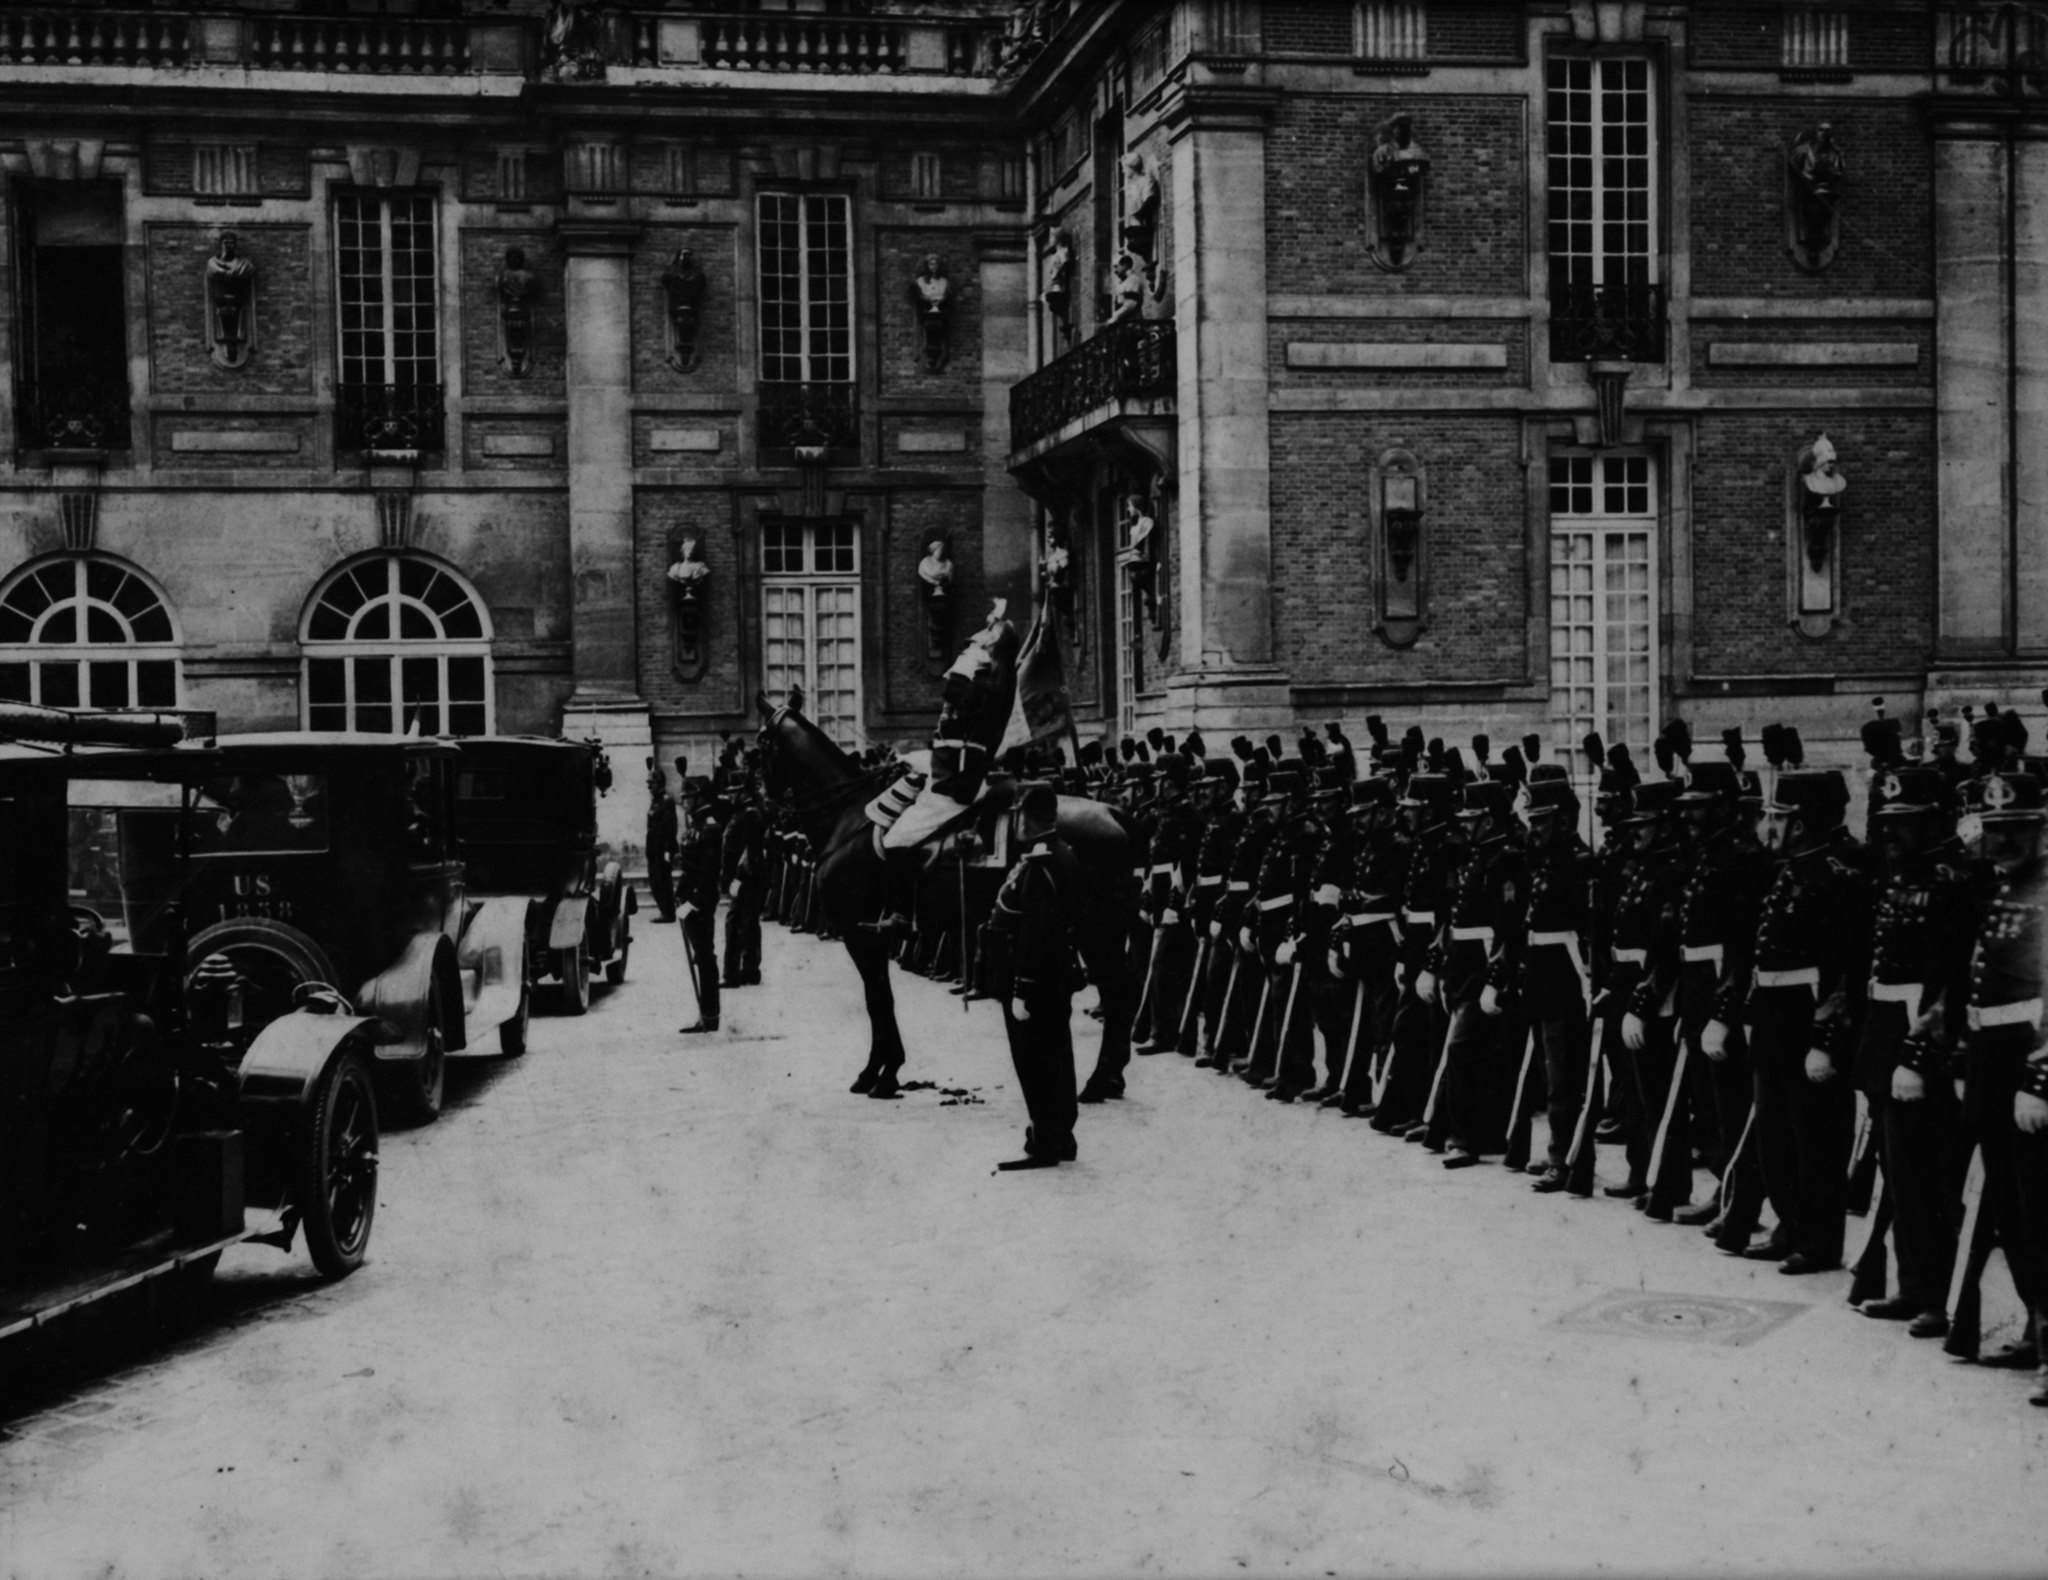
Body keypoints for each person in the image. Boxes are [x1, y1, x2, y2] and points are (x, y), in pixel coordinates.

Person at [1853, 765, 1977, 1332]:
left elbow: (1950, 980)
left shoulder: (1955, 880)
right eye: (1886, 822)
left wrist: (1918, 1054)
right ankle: (1911, 1285)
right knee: (1897, 1169)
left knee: (1929, 1176)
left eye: (1904, 822)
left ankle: (1936, 1297)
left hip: (1921, 1043)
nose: (1890, 833)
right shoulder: (1899, 876)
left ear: (1936, 822)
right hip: (1886, 1032)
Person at [1734, 769, 1871, 1272]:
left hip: (1804, 1021)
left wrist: (1826, 1039)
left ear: (1806, 824)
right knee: (1776, 1137)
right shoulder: (1788, 871)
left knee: (1815, 1137)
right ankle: (1789, 1224)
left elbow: (1844, 974)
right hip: (1772, 1021)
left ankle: (1819, 1240)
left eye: (1780, 818)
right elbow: (1762, 954)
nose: (1769, 826)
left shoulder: (1840, 881)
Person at [1955, 767, 2048, 1403]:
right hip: (1992, 1061)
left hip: (2029, 1064)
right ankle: (2037, 1331)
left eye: (2016, 831)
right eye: (1995, 832)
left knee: (2041, 1209)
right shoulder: (2001, 888)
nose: (2003, 844)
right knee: (2011, 1213)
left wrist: (2041, 1077)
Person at [984, 782, 1083, 1171]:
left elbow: (1035, 931)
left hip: (1035, 978)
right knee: (1059, 1053)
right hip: (1056, 973)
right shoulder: (1063, 854)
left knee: (1035, 1059)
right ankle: (1062, 1133)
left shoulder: (1042, 864)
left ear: (1028, 818)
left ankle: (1045, 1140)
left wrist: (1021, 988)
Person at [675, 777, 722, 1034]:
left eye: (687, 798)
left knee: (705, 957)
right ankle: (705, 1013)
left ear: (698, 798)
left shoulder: (709, 825)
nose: (683, 802)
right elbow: (689, 866)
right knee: (701, 956)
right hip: (691, 898)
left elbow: (708, 871)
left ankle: (710, 1015)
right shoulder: (695, 823)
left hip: (701, 901)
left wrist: (692, 902)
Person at [721, 774, 766, 988]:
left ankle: (732, 974)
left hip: (746, 878)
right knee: (748, 923)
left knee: (736, 923)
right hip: (749, 877)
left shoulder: (748, 814)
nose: (730, 797)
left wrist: (737, 878)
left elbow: (750, 850)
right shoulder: (745, 812)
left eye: (733, 793)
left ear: (742, 792)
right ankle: (750, 970)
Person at [645, 758, 678, 924]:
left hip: (661, 850)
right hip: (652, 849)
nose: (650, 787)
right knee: (655, 881)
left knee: (662, 881)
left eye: (653, 783)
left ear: (660, 783)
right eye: (649, 783)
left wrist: (668, 849)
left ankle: (668, 912)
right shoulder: (656, 801)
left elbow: (670, 827)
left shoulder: (667, 801)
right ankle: (664, 910)